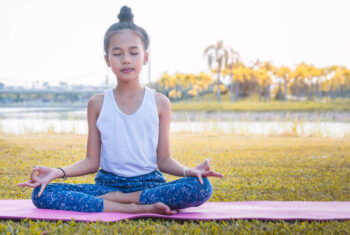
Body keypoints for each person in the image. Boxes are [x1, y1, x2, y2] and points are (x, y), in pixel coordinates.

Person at [17, 5, 224, 215]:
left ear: (145, 57)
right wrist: (57, 172)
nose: (126, 59)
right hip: (107, 186)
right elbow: (91, 161)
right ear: (107, 59)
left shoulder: (160, 103)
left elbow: (164, 160)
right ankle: (135, 207)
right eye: (117, 53)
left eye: (134, 53)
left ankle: (122, 200)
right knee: (43, 194)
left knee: (202, 187)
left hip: (149, 185)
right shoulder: (97, 104)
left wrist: (189, 171)